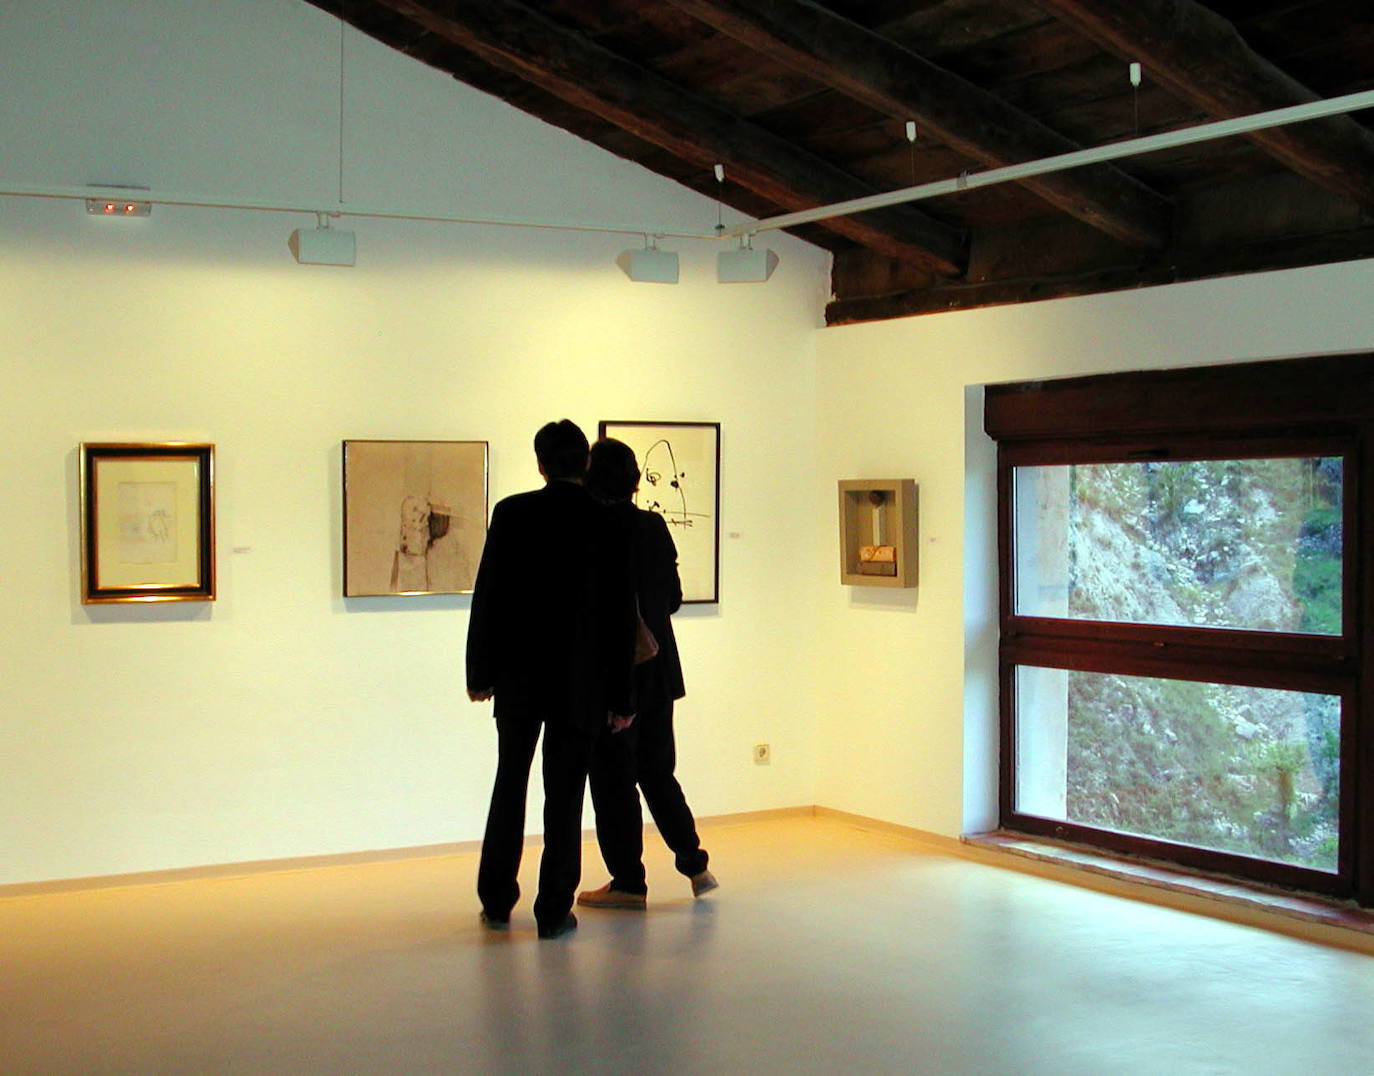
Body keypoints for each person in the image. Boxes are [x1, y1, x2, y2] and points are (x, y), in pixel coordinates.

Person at [466, 420, 636, 939]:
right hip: (580, 684)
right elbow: (618, 619)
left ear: (540, 463)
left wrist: (480, 671)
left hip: (519, 677)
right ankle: (553, 909)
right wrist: (621, 696)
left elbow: (488, 595)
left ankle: (497, 900)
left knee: (509, 785)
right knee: (564, 796)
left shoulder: (512, 513)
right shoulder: (605, 522)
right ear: (584, 463)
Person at [577, 438, 716, 910]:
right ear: (636, 480)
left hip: (612, 675)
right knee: (658, 774)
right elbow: (673, 598)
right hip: (658, 671)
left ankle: (628, 882)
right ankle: (695, 864)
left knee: (614, 783)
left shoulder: (591, 529)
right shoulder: (653, 526)